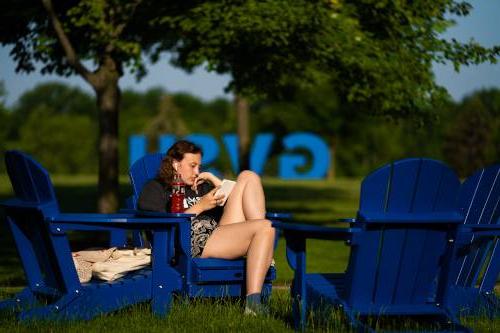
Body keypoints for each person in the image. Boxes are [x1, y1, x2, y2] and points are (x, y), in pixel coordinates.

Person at [138, 140, 275, 315]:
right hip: (189, 243)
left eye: (199, 167)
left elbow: (240, 198)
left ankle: (260, 248)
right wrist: (201, 206)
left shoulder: (200, 186)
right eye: (192, 166)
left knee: (249, 176)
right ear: (175, 164)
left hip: (218, 233)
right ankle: (253, 303)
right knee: (266, 227)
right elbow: (163, 222)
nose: (197, 172)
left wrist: (211, 177)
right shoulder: (156, 187)